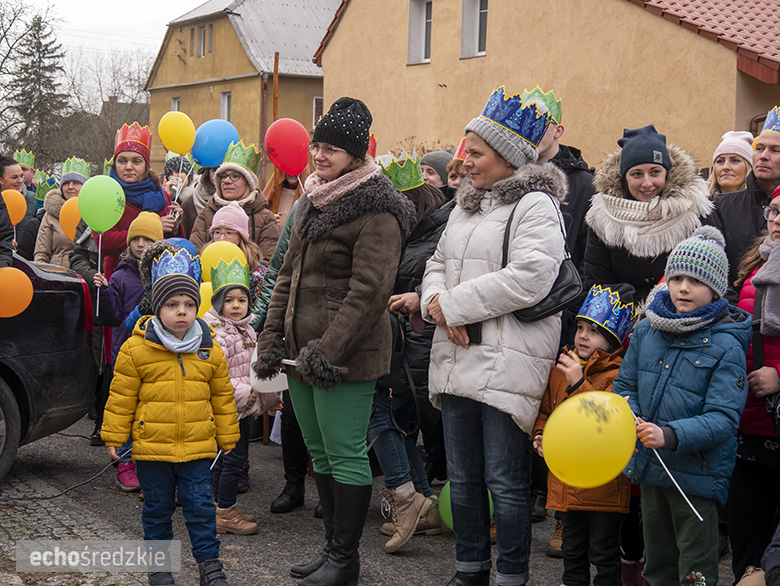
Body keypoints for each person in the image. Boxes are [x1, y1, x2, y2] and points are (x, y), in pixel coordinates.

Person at [253, 97, 414, 586]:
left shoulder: (379, 210)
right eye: (316, 146)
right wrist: (270, 335)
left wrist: (327, 352)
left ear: (356, 153)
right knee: (319, 452)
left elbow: (369, 294)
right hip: (299, 352)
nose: (319, 155)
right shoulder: (314, 198)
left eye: (331, 148)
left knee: (344, 452)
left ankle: (346, 561)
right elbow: (286, 275)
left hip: (345, 356)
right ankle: (330, 553)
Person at [421, 86, 566, 586]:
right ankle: (469, 570)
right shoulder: (465, 206)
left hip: (508, 358)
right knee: (462, 478)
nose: (465, 161)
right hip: (458, 354)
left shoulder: (536, 207)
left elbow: (530, 276)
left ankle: (510, 575)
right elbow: (436, 263)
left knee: (505, 481)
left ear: (506, 156)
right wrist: (435, 304)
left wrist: (451, 305)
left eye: (475, 152)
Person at [613, 226, 752, 585]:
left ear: (716, 288)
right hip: (651, 470)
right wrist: (629, 411)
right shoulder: (646, 330)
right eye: (676, 278)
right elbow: (625, 385)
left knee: (695, 572)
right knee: (657, 565)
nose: (684, 288)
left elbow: (723, 418)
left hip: (696, 477)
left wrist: (670, 435)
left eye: (696, 280)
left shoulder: (726, 345)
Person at [101, 246, 239, 586]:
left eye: (189, 305)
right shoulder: (137, 348)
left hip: (196, 447)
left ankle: (210, 565)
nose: (182, 312)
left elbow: (222, 395)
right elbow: (121, 395)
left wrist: (228, 434)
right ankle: (160, 567)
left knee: (201, 508)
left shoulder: (209, 348)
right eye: (172, 304)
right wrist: (115, 434)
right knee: (158, 508)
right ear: (157, 307)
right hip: (152, 448)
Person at [371, 153, 449, 554]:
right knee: (398, 422)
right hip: (397, 342)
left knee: (380, 416)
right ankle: (422, 504)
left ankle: (407, 496)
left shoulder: (432, 236)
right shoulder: (411, 233)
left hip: (414, 344)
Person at [534, 283, 636, 586]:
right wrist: (541, 435)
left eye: (593, 330)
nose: (582, 335)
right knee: (572, 552)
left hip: (605, 488)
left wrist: (578, 382)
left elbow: (607, 421)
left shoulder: (617, 375)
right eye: (580, 327)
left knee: (604, 554)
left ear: (612, 339)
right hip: (566, 483)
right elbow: (546, 412)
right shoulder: (560, 369)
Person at [583, 125, 713, 303]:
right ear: (624, 179)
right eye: (637, 174)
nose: (647, 183)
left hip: (682, 314)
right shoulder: (604, 216)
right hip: (621, 317)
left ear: (667, 174)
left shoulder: (693, 211)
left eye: (655, 172)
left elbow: (706, 277)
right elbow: (597, 281)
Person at [727, 186, 780, 583]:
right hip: (747, 423)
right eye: (774, 212)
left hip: (777, 417)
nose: (776, 220)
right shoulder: (756, 262)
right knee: (746, 534)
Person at [205, 255, 278, 535]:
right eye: (230, 300)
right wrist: (247, 394)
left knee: (235, 458)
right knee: (229, 460)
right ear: (218, 303)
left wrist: (268, 397)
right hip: (230, 407)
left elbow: (253, 369)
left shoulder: (248, 330)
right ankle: (223, 510)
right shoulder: (217, 334)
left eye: (242, 300)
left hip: (246, 406)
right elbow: (219, 376)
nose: (236, 306)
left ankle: (222, 505)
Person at [94, 212, 164, 492]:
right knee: (128, 408)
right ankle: (124, 461)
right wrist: (103, 290)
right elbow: (111, 317)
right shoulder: (121, 276)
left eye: (148, 239)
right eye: (136, 238)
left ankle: (148, 460)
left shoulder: (165, 274)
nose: (141, 244)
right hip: (126, 350)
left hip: (156, 351)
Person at [706, 108, 780, 293]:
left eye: (775, 150)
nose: (763, 156)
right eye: (760, 148)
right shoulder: (721, 207)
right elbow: (710, 272)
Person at [98, 123, 182, 280]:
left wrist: (176, 226)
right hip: (119, 279)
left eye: (136, 161)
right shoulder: (105, 196)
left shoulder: (161, 196)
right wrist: (151, 228)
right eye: (122, 161)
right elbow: (104, 242)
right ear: (115, 165)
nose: (129, 167)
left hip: (159, 277)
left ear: (146, 166)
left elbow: (173, 242)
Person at [188, 141, 279, 260]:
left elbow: (268, 263)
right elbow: (195, 256)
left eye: (235, 176)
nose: (227, 181)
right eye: (223, 176)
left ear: (248, 182)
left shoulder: (266, 218)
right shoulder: (206, 214)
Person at [207, 202, 267, 309]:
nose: (221, 238)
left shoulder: (256, 272)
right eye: (217, 232)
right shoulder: (204, 262)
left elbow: (261, 307)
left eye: (229, 233)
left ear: (241, 236)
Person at [33, 158, 89, 267]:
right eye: (66, 183)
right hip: (58, 273)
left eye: (76, 183)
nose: (70, 187)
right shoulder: (50, 215)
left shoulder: (92, 212)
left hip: (85, 274)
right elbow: (41, 252)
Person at [708, 131, 754, 197]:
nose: (725, 167)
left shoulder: (762, 204)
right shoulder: (695, 204)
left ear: (749, 167)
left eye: (735, 160)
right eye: (720, 161)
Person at [182, 166, 218, 238]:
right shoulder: (189, 204)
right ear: (207, 173)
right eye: (215, 170)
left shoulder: (242, 202)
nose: (220, 175)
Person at [14, 149, 36, 224]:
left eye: (24, 169)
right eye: (17, 169)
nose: (20, 172)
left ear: (33, 173)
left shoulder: (37, 196)